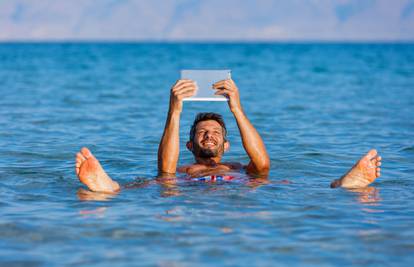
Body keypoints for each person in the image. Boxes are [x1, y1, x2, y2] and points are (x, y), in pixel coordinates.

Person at [75, 79, 382, 194]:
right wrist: (175, 110)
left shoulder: (239, 168)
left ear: (226, 144)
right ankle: (109, 187)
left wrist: (236, 107)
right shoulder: (181, 170)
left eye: (215, 133)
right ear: (190, 144)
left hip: (239, 189)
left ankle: (344, 184)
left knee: (276, 180)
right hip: (186, 189)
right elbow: (165, 170)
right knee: (158, 183)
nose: (209, 136)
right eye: (202, 133)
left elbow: (262, 164)